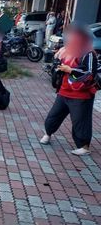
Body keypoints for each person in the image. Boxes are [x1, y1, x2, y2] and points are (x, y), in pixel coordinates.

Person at [40, 23, 98, 156]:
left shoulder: (88, 53)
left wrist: (70, 70)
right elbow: (56, 66)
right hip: (64, 91)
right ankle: (48, 133)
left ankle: (83, 146)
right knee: (53, 116)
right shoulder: (66, 50)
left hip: (81, 95)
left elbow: (89, 73)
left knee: (80, 121)